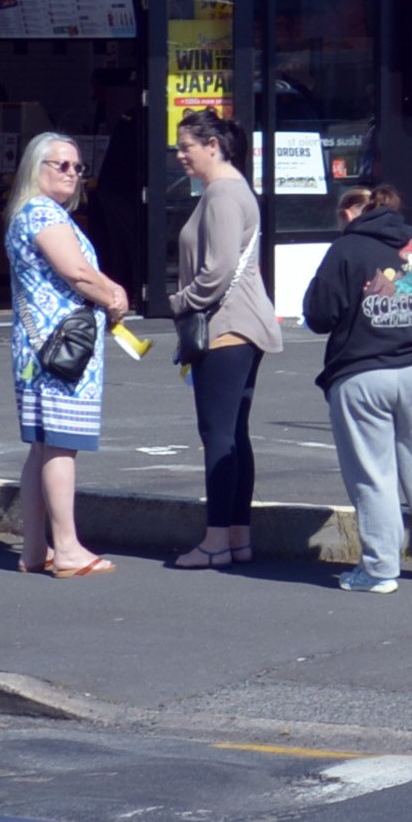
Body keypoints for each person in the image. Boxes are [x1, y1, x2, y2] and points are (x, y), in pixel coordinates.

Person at [298, 178, 412, 591]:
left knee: (373, 475)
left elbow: (319, 314)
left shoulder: (344, 249)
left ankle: (380, 569)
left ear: (351, 213)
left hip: (361, 373)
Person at [1, 131, 125, 577]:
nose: (73, 173)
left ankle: (36, 549)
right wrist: (113, 295)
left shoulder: (33, 213)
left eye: (77, 166)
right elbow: (76, 272)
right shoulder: (39, 211)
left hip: (42, 349)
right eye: (62, 165)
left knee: (43, 447)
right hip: (59, 352)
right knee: (60, 445)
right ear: (37, 169)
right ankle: (67, 549)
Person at [156, 112, 277, 572]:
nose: (180, 155)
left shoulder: (223, 192)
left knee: (218, 435)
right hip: (241, 326)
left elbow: (219, 269)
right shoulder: (231, 188)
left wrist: (178, 301)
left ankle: (215, 541)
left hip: (227, 328)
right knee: (232, 436)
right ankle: (236, 536)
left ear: (212, 145)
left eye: (186, 146)